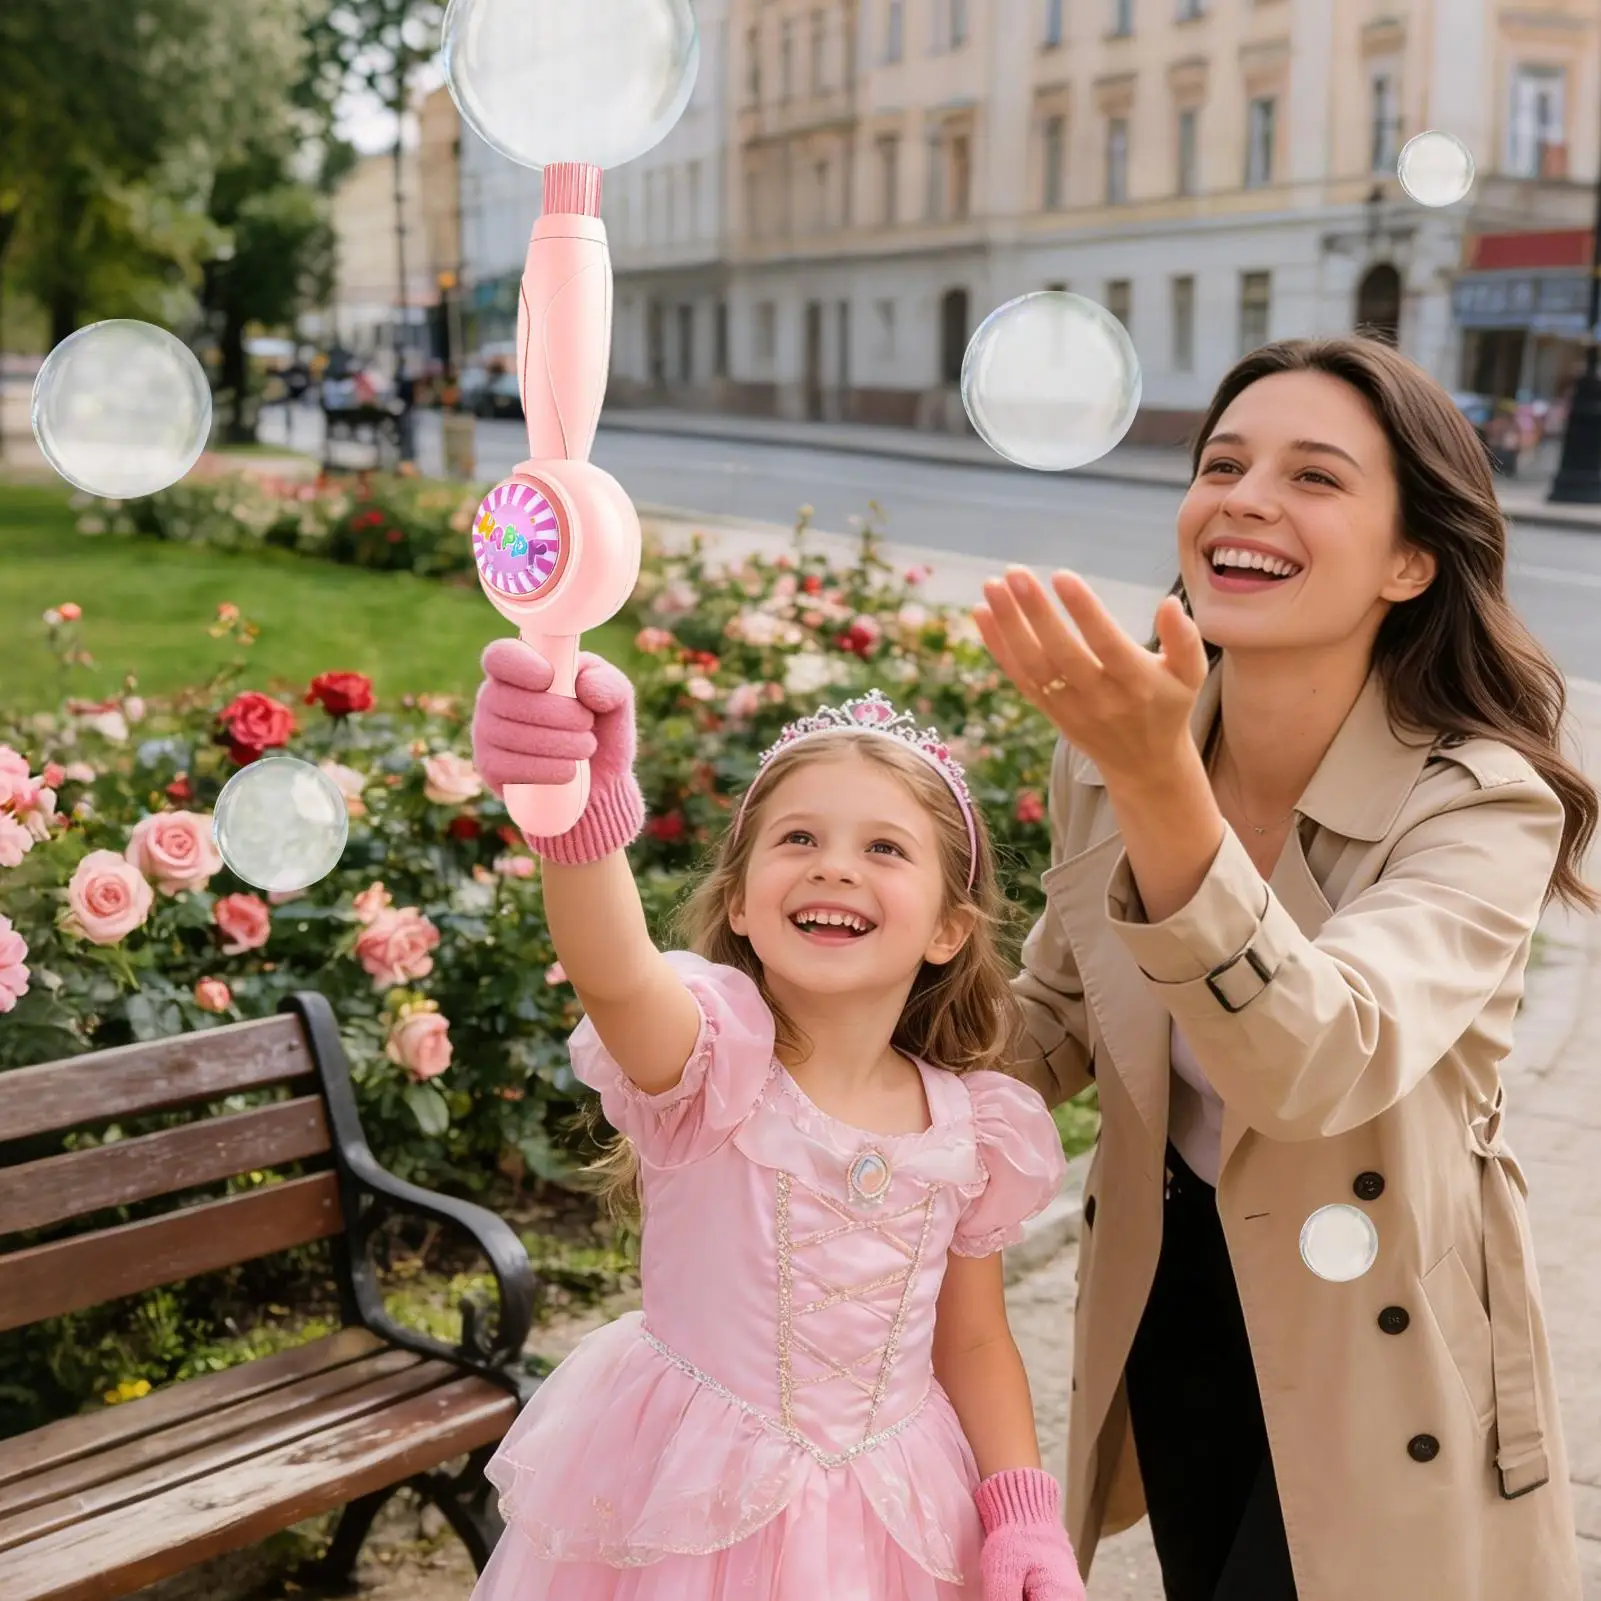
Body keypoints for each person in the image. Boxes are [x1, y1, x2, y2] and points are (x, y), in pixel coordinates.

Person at [978, 335, 1592, 1601]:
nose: (1244, 499)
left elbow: (1317, 1063)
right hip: (1174, 1293)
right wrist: (815, 1002)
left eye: (1313, 476)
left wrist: (1159, 789)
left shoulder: (1478, 802)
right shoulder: (1113, 757)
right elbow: (1055, 1020)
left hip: (1387, 1336)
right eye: (1221, 464)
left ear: (1410, 559)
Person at [467, 652, 1087, 1600]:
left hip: (893, 1515)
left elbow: (971, 1340)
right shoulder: (708, 1065)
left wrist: (1021, 1509)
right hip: (688, 1506)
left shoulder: (973, 1125)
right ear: (741, 903)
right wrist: (578, 818)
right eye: (798, 837)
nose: (834, 864)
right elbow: (614, 973)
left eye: (885, 849)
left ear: (947, 929)